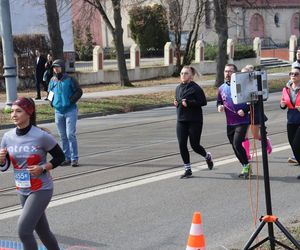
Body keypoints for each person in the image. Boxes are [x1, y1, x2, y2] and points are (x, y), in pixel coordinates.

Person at [0, 97, 65, 250]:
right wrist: (1, 160)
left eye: (18, 111)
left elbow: (60, 157)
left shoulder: (41, 136)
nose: (13, 115)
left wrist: (43, 167)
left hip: (41, 189)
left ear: (29, 113)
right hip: (22, 188)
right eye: (12, 111)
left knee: (24, 231)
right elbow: (4, 166)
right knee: (42, 231)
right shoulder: (7, 137)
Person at [174, 65, 213, 178]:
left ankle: (207, 156)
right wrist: (176, 103)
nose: (183, 75)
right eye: (181, 73)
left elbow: (203, 102)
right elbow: (179, 100)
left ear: (191, 76)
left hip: (194, 121)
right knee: (182, 144)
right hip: (181, 120)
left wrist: (189, 103)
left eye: (186, 73)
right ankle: (188, 169)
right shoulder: (178, 88)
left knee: (195, 145)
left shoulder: (196, 88)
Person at [217, 64, 251, 178]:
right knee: (234, 146)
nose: (227, 74)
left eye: (230, 71)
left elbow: (253, 101)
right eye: (226, 71)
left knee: (237, 143)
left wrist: (245, 110)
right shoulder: (221, 88)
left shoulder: (243, 85)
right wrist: (220, 106)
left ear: (235, 73)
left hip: (242, 121)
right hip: (230, 122)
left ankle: (246, 165)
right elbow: (219, 101)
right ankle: (245, 165)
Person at [48, 59, 83, 167]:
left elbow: (79, 91)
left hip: (70, 111)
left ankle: (74, 158)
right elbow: (50, 92)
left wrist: (70, 101)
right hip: (58, 112)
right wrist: (51, 102)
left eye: (58, 67)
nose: (56, 69)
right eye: (54, 67)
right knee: (63, 136)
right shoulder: (52, 80)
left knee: (70, 135)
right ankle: (66, 158)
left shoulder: (70, 79)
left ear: (63, 67)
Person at [241, 65, 272, 160]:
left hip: (255, 113)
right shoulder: (240, 85)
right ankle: (247, 155)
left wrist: (245, 109)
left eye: (244, 74)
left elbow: (254, 103)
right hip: (244, 115)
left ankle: (266, 141)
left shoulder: (256, 85)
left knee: (255, 136)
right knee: (243, 136)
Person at [280, 66, 300, 179]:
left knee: (297, 146)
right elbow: (283, 104)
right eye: (291, 73)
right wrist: (282, 105)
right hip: (291, 120)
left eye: (296, 74)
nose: (293, 76)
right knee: (293, 146)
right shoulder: (286, 89)